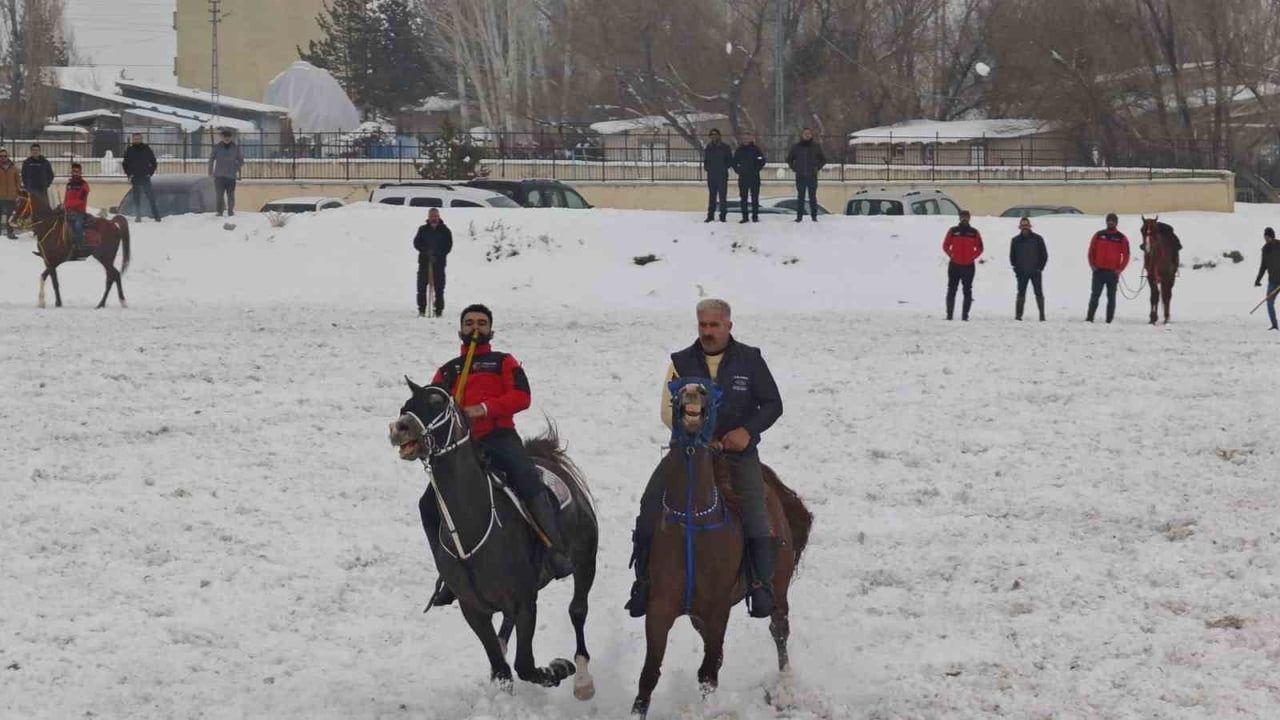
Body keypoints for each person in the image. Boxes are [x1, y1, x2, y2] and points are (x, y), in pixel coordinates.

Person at [626, 298, 784, 619]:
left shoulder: (750, 360)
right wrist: (696, 435)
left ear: (729, 326)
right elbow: (668, 410)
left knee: (756, 510)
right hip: (689, 452)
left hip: (738, 455)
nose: (708, 332)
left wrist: (746, 431)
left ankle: (760, 585)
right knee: (649, 504)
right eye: (703, 325)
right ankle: (643, 582)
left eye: (715, 325)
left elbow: (772, 404)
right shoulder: (680, 361)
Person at [425, 304, 574, 608]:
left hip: (499, 438)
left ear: (491, 329)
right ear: (460, 329)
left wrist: (484, 409)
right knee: (428, 502)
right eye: (469, 323)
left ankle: (555, 550)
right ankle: (447, 571)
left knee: (528, 480)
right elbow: (433, 407)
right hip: (459, 449)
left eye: (481, 322)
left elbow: (522, 396)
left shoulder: (504, 362)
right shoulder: (448, 370)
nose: (475, 328)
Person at [1087, 213, 1130, 324]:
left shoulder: (1121, 238)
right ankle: (1089, 318)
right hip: (1098, 271)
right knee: (1094, 296)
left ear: (1116, 223)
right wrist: (1092, 266)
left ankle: (1109, 320)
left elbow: (1126, 255)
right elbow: (1091, 251)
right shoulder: (1099, 235)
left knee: (1111, 298)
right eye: (1109, 220)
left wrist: (1119, 269)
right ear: (1106, 222)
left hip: (1112, 273)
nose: (1111, 222)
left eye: (1113, 221)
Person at [943, 210, 984, 321]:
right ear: (959, 218)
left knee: (967, 290)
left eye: (966, 217)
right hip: (954, 265)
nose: (964, 219)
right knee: (951, 289)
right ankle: (949, 315)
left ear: (969, 218)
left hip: (968, 266)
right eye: (962, 217)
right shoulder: (953, 231)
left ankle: (965, 316)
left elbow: (980, 248)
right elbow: (945, 245)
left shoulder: (974, 232)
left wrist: (972, 256)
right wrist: (951, 255)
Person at [413, 208, 452, 317]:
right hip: (424, 263)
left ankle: (438, 310)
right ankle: (421, 310)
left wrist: (437, 254)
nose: (434, 218)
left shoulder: (445, 231)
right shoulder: (422, 229)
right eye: (432, 216)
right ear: (428, 217)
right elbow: (417, 243)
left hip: (439, 264)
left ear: (438, 217)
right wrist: (426, 251)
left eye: (435, 216)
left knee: (439, 289)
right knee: (421, 288)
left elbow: (448, 246)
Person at [1009, 216, 1048, 321]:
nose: (1025, 227)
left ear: (1030, 226)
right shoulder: (1015, 240)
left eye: (1026, 225)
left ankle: (1042, 315)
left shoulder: (1038, 239)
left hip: (1035, 272)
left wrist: (1040, 268)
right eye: (1023, 225)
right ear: (1020, 227)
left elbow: (1044, 255)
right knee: (1021, 293)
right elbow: (1012, 257)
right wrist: (1016, 268)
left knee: (1039, 293)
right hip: (1021, 272)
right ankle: (1018, 315)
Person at [785, 128, 826, 222]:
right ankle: (799, 217)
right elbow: (789, 159)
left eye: (809, 133)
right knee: (800, 197)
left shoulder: (816, 146)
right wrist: (795, 168)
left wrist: (817, 167)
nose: (807, 135)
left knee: (813, 197)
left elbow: (823, 160)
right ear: (802, 135)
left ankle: (814, 217)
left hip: (812, 176)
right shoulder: (796, 147)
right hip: (800, 176)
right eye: (805, 133)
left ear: (811, 135)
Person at [123, 132, 162, 222]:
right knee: (136, 198)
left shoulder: (146, 149)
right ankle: (138, 216)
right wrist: (129, 174)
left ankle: (156, 216)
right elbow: (125, 164)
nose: (136, 140)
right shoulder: (129, 150)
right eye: (135, 139)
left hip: (145, 177)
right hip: (135, 177)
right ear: (133, 140)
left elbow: (154, 162)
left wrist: (150, 173)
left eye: (138, 139)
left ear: (141, 139)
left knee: (151, 197)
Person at [732, 131, 767, 223]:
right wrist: (739, 171)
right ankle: (745, 217)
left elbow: (762, 160)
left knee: (755, 198)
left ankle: (755, 217)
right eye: (744, 138)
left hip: (754, 177)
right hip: (743, 178)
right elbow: (734, 163)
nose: (746, 140)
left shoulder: (756, 149)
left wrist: (756, 169)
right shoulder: (739, 150)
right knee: (743, 198)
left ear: (751, 139)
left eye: (747, 138)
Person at [208, 129, 244, 217]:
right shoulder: (217, 147)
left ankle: (230, 211)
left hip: (231, 176)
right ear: (222, 137)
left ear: (231, 137)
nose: (227, 138)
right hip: (219, 175)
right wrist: (210, 171)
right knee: (219, 195)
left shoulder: (235, 148)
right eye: (225, 136)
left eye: (229, 136)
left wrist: (235, 168)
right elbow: (211, 159)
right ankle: (219, 211)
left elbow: (241, 161)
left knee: (230, 195)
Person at [702, 129, 734, 223]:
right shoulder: (709, 147)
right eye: (711, 135)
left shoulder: (725, 147)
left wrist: (723, 168)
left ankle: (723, 216)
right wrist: (708, 168)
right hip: (711, 175)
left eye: (715, 134)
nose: (713, 136)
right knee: (712, 196)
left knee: (722, 197)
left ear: (719, 135)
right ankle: (710, 215)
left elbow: (729, 160)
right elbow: (706, 160)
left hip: (722, 175)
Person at [1255, 226, 1280, 331]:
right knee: (1269, 302)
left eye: (1267, 236)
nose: (1266, 238)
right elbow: (1263, 266)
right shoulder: (1265, 249)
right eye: (1265, 236)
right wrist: (1258, 279)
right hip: (1273, 281)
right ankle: (1274, 325)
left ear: (1272, 236)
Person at [64, 163, 90, 255]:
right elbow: (66, 198)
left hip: (79, 212)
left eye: (77, 171)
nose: (75, 173)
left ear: (80, 172)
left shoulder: (84, 185)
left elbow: (81, 200)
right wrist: (64, 206)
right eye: (74, 171)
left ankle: (80, 247)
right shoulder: (69, 184)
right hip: (68, 211)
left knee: (78, 226)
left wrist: (67, 204)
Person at [0, 148, 21, 238]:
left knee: (10, 216)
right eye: (1, 156)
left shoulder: (14, 168)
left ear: (7, 156)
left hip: (11, 196)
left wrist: (17, 192)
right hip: (0, 196)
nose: (3, 157)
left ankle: (10, 232)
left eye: (5, 156)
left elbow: (18, 181)